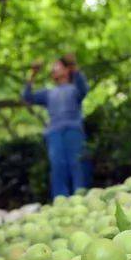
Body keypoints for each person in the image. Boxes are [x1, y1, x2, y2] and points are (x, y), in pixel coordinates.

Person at [23, 55, 90, 198]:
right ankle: (61, 201)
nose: (54, 69)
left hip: (73, 130)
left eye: (58, 66)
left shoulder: (74, 88)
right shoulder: (48, 93)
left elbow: (84, 88)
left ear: (67, 70)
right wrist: (33, 74)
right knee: (58, 167)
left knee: (77, 164)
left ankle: (81, 197)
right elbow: (27, 97)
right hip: (54, 133)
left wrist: (74, 67)